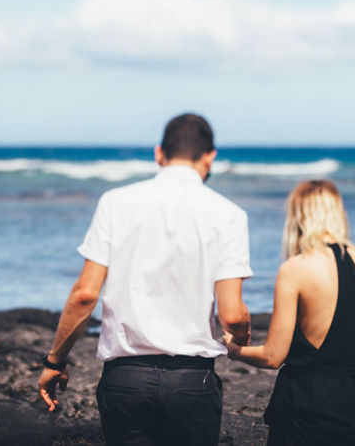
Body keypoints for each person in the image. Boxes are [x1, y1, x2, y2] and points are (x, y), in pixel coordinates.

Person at [38, 113, 252, 446]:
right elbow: (233, 314)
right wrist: (241, 335)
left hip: (126, 378)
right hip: (191, 380)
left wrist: (55, 361)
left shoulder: (115, 203)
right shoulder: (229, 215)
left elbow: (84, 294)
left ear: (159, 154)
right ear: (210, 157)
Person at [225, 180, 355, 446]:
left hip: (309, 407)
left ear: (299, 216)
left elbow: (273, 356)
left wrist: (235, 351)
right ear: (338, 213)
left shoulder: (296, 269)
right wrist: (349, 341)